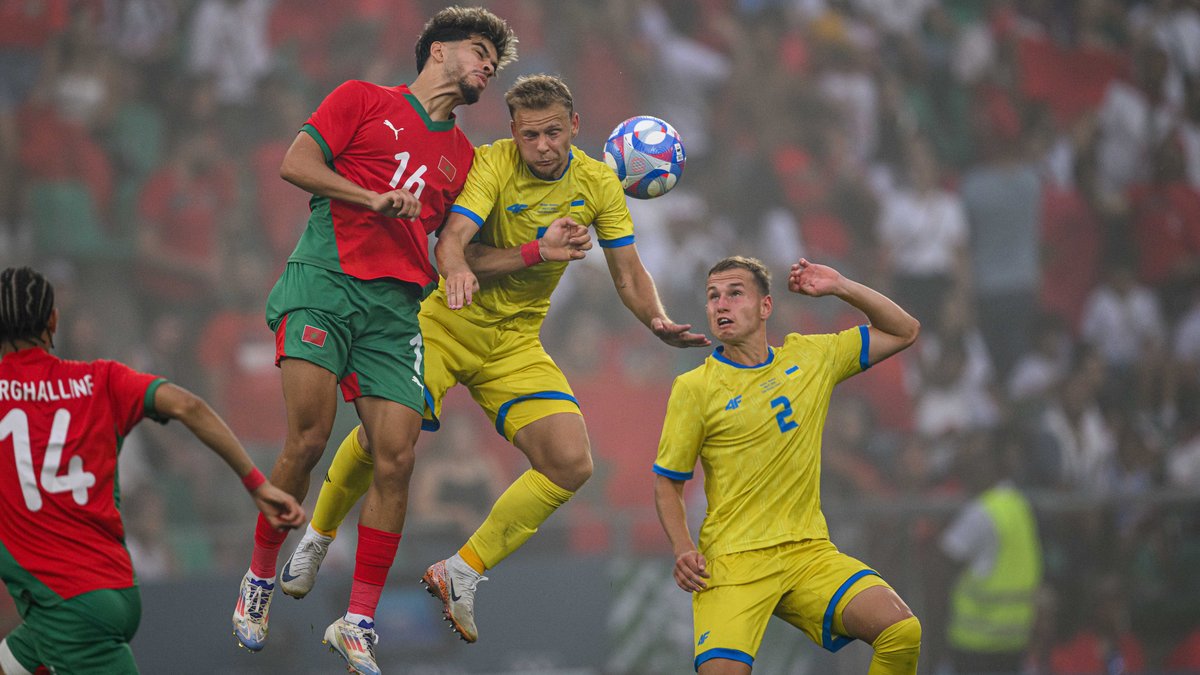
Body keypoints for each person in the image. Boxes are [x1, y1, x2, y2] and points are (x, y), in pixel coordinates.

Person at [277, 73, 710, 644]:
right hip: (443, 323)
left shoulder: (599, 183)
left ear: (575, 127)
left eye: (553, 133)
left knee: (570, 462)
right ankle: (320, 535)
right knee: (388, 440)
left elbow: (627, 272)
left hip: (515, 341)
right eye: (530, 135)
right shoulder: (490, 165)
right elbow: (453, 245)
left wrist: (656, 320)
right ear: (513, 132)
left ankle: (461, 571)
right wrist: (525, 253)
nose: (543, 146)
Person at [228, 7, 517, 674]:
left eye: (494, 61)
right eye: (479, 50)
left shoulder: (465, 158)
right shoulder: (361, 98)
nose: (487, 65)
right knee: (308, 438)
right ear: (438, 49)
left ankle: (356, 620)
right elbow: (295, 163)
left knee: (398, 457)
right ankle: (258, 577)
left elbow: (458, 249)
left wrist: (535, 250)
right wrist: (369, 196)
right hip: (325, 281)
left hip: (395, 311)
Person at [0, 266, 305, 675]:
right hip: (102, 589)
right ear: (53, 321)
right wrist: (256, 484)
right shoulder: (101, 378)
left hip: (70, 605)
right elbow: (189, 405)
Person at [653, 256, 922, 674]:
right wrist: (683, 547)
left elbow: (904, 330)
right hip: (733, 560)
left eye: (735, 293)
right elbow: (667, 483)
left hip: (807, 553)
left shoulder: (811, 357)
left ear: (765, 306)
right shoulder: (694, 388)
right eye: (713, 296)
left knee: (901, 630)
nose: (721, 304)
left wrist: (841, 285)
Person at [937, 428, 1043, 675]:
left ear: (994, 464)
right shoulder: (1017, 502)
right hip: (1014, 638)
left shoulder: (982, 511)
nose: (969, 466)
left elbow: (944, 559)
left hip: (975, 641)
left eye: (977, 459)